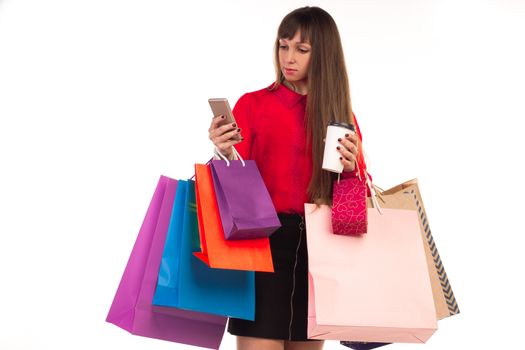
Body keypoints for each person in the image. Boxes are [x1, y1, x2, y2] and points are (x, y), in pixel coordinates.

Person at [208, 6, 365, 350]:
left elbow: (353, 215)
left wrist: (352, 171)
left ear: (323, 55)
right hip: (263, 247)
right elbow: (233, 189)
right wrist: (223, 153)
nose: (288, 58)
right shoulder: (253, 105)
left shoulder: (340, 116)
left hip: (318, 254)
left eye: (301, 49)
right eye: (283, 46)